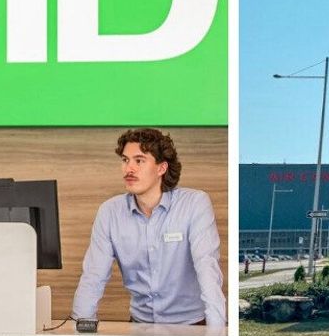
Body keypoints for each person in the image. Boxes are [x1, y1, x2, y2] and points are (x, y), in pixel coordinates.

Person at [72, 128, 225, 325]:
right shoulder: (110, 212)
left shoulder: (194, 204)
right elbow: (93, 277)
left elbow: (207, 267)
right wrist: (79, 332)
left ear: (161, 168)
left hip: (191, 325)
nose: (129, 169)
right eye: (125, 160)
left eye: (139, 160)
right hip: (139, 325)